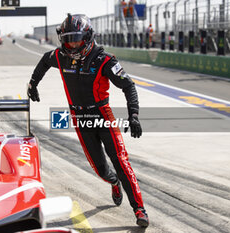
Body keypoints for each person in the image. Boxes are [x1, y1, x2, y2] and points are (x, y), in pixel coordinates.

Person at [27, 14, 149, 228]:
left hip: (103, 115)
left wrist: (134, 115)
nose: (72, 44)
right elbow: (44, 60)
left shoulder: (104, 59)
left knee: (120, 161)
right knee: (101, 169)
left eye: (76, 39)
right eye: (67, 39)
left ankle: (139, 209)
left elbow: (128, 86)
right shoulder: (59, 56)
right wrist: (33, 84)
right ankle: (113, 182)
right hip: (79, 118)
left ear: (88, 36)